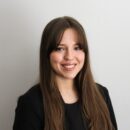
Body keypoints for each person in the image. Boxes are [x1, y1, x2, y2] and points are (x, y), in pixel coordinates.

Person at [13, 16, 117, 130]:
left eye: (77, 48)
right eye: (60, 48)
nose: (69, 56)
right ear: (47, 54)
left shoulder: (101, 94)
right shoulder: (30, 103)